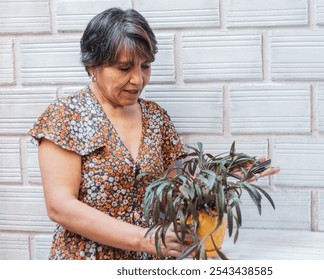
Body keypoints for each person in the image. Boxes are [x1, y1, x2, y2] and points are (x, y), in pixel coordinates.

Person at [28, 8, 280, 260]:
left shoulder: (155, 118)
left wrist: (221, 177)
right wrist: (144, 239)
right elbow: (60, 207)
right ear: (92, 65)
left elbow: (171, 195)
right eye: (124, 68)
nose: (138, 80)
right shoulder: (65, 116)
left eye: (145, 66)